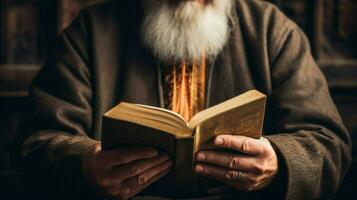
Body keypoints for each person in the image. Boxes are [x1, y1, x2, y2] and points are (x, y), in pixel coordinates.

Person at [15, 0, 351, 199]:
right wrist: (84, 166)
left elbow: (329, 145)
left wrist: (279, 162)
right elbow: (34, 143)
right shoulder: (91, 31)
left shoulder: (272, 30)